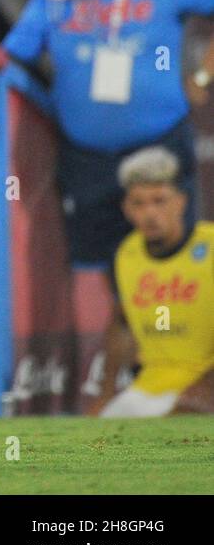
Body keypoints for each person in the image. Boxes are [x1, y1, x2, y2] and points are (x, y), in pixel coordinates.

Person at [0, 0, 214, 409]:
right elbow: (14, 60)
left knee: (178, 261)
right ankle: (104, 385)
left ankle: (192, 382)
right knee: (102, 269)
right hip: (87, 159)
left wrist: (204, 74)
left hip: (160, 146)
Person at [90, 147, 214, 417]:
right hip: (149, 388)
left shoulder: (210, 245)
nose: (150, 213)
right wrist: (106, 393)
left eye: (159, 201)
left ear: (181, 201)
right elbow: (121, 323)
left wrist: (206, 387)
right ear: (126, 209)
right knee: (93, 440)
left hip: (202, 386)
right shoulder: (126, 255)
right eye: (139, 203)